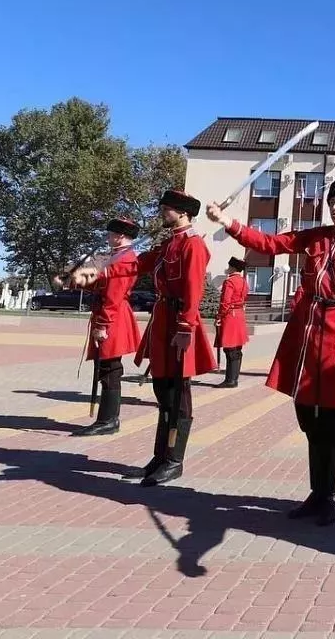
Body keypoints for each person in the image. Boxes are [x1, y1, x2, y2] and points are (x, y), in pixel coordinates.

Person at [207, 178, 335, 526]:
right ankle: (317, 492)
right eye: (332, 201)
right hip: (305, 332)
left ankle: (334, 495)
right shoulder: (314, 237)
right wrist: (229, 224)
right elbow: (271, 244)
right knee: (307, 416)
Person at [73, 191, 217, 486]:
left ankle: (174, 460)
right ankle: (159, 457)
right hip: (163, 323)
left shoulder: (193, 245)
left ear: (183, 212)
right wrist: (95, 272)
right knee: (163, 394)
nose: (162, 213)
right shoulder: (168, 245)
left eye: (167, 209)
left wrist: (185, 328)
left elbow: (193, 292)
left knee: (178, 397)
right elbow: (135, 265)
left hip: (179, 324)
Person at [61, 217, 143, 436]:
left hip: (113, 317)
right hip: (110, 313)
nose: (108, 238)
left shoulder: (124, 259)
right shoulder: (116, 257)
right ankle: (107, 419)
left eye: (110, 234)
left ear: (120, 236)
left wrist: (103, 324)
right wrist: (76, 281)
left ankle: (108, 420)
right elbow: (102, 284)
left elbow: (114, 295)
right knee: (107, 367)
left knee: (109, 368)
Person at [214, 257, 249, 388]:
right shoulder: (244, 281)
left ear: (233, 268)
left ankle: (230, 380)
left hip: (230, 316)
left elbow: (225, 301)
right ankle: (234, 378)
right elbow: (245, 296)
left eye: (229, 266)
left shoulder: (229, 281)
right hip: (239, 314)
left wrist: (219, 315)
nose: (228, 268)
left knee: (230, 349)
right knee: (237, 349)